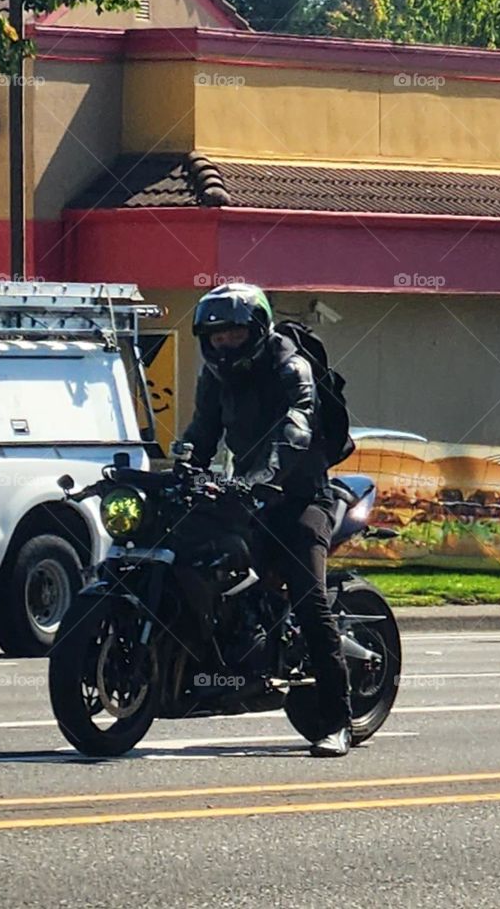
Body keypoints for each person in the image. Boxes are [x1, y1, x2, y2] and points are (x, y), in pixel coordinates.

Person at [180, 283, 352, 758]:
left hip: (301, 496)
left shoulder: (290, 366)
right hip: (246, 496)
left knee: (309, 598)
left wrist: (265, 476)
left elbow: (297, 428)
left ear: (256, 329)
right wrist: (184, 469)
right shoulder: (215, 377)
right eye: (215, 336)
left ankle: (337, 720)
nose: (224, 343)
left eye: (233, 333)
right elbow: (202, 432)